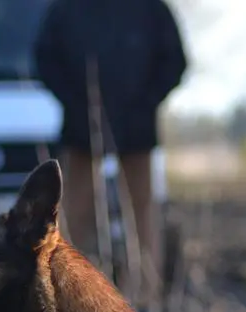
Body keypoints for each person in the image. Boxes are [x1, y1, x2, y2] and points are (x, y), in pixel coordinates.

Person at [33, 0, 187, 294]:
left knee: (141, 212)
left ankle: (143, 296)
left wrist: (144, 104)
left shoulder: (152, 9)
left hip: (137, 132)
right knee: (73, 215)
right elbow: (45, 59)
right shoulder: (66, 9)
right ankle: (71, 292)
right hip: (81, 132)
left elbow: (175, 62)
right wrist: (77, 105)